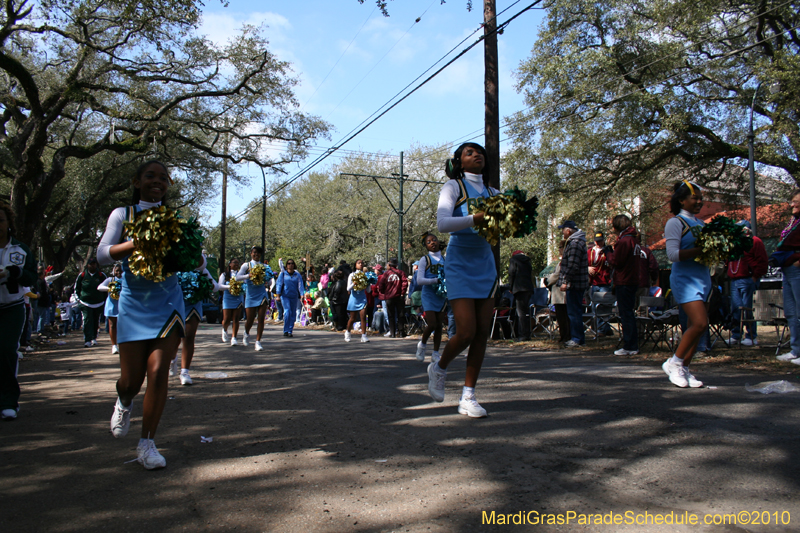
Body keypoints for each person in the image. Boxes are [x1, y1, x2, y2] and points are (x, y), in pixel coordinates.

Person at [97, 160, 200, 469]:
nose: (157, 182)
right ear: (137, 181)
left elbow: (195, 262)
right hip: (132, 303)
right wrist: (136, 242)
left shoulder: (175, 219)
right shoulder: (122, 215)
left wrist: (191, 254)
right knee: (131, 381)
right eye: (150, 176)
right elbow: (103, 253)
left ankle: (147, 444)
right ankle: (124, 401)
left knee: (157, 372)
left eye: (163, 178)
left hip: (168, 303)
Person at [427, 142, 500, 418]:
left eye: (479, 152)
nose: (477, 155)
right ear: (459, 162)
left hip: (485, 265)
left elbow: (500, 226)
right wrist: (476, 218)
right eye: (469, 153)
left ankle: (468, 396)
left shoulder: (495, 193)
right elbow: (443, 224)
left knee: (482, 333)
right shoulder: (453, 188)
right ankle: (439, 367)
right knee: (466, 331)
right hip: (458, 264)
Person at [661, 181, 710, 388]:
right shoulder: (675, 223)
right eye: (694, 198)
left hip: (703, 278)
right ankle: (674, 362)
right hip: (685, 279)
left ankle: (685, 368)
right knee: (701, 323)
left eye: (700, 198)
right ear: (682, 200)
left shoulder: (702, 224)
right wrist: (701, 250)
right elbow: (672, 254)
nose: (699, 201)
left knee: (695, 328)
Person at [0, 201, 37, 420]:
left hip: (12, 308)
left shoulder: (20, 250)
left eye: (1, 220)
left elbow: (32, 277)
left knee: (5, 351)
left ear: (9, 223)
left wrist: (16, 272)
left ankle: (9, 402)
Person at [173, 264, 218, 385]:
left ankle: (184, 372)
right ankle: (173, 359)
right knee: (175, 338)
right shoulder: (173, 262)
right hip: (174, 303)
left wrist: (204, 284)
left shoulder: (200, 266)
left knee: (189, 336)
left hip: (193, 304)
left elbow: (215, 286)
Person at [726, 220, 768, 346]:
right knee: (735, 308)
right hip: (734, 279)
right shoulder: (734, 244)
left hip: (747, 278)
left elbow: (762, 260)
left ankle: (751, 335)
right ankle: (736, 334)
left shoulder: (755, 241)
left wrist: (755, 276)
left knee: (746, 308)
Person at [605, 215, 641, 356]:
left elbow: (616, 261)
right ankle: (631, 344)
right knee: (629, 313)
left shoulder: (625, 241)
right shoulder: (634, 239)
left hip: (624, 280)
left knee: (626, 314)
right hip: (632, 280)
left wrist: (608, 253)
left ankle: (630, 345)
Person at [775, 190, 800, 363]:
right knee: (791, 311)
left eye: (796, 201)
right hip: (787, 268)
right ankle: (796, 349)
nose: (792, 205)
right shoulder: (794, 222)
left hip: (797, 266)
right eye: (791, 201)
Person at [414, 232, 447, 363]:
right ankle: (422, 345)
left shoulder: (445, 259)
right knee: (432, 323)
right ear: (426, 246)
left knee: (439, 326)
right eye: (428, 242)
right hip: (428, 295)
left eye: (434, 240)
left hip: (441, 295)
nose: (432, 242)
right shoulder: (425, 260)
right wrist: (436, 280)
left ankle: (435, 353)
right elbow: (420, 280)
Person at [557, 221, 589, 347]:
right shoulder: (577, 242)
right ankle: (578, 338)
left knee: (574, 312)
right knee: (575, 311)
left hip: (575, 284)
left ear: (568, 230)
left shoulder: (575, 244)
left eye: (563, 230)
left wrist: (565, 281)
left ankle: (577, 339)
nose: (562, 233)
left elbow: (573, 266)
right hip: (577, 283)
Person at [237, 246, 269, 352]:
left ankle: (258, 342)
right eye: (254, 252)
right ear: (251, 253)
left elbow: (269, 280)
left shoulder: (264, 266)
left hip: (262, 294)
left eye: (259, 253)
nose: (256, 254)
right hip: (250, 295)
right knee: (250, 320)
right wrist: (248, 276)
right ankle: (246, 332)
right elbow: (237, 277)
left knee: (261, 319)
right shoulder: (246, 265)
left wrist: (268, 282)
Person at [588, 231, 613, 336]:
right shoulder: (589, 252)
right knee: (595, 307)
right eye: (597, 241)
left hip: (605, 283)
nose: (599, 243)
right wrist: (587, 268)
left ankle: (602, 329)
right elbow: (583, 263)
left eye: (601, 241)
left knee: (604, 306)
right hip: (594, 282)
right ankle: (603, 329)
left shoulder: (608, 252)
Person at [546, 241, 571, 343]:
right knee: (561, 317)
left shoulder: (564, 262)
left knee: (563, 316)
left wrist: (547, 280)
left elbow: (556, 276)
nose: (559, 249)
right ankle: (564, 335)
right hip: (559, 294)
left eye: (561, 247)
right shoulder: (563, 261)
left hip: (561, 294)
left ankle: (566, 336)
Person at [377, 258, 408, 338]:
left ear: (389, 265)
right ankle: (401, 332)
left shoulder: (386, 274)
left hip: (389, 297)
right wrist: (402, 293)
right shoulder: (401, 273)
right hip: (399, 296)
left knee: (391, 315)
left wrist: (384, 292)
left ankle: (392, 332)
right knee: (400, 314)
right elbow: (405, 283)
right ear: (396, 265)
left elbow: (381, 285)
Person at [508, 249, 535, 341]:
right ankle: (527, 334)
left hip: (519, 288)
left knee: (520, 313)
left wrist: (510, 287)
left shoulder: (514, 260)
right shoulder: (528, 261)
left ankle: (522, 335)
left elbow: (511, 273)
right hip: (528, 288)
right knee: (526, 311)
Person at [97, 263, 124, 354]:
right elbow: (99, 287)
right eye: (117, 271)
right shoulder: (110, 279)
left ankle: (123, 344)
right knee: (112, 325)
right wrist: (110, 288)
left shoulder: (126, 280)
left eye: (120, 271)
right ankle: (114, 345)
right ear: (114, 271)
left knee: (124, 326)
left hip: (124, 305)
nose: (119, 273)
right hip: (112, 305)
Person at [344, 259, 371, 343]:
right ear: (355, 265)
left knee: (363, 316)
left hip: (362, 298)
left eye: (362, 263)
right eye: (359, 263)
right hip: (354, 298)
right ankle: (348, 332)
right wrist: (354, 283)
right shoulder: (352, 275)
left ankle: (364, 335)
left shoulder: (365, 275)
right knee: (353, 318)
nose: (361, 264)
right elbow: (348, 288)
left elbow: (369, 290)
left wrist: (368, 283)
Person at [219, 258, 244, 346]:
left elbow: (244, 283)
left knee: (236, 318)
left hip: (238, 298)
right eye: (234, 262)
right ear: (230, 264)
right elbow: (220, 286)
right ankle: (225, 329)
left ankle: (234, 337)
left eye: (238, 263)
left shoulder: (240, 274)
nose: (236, 264)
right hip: (228, 298)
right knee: (226, 319)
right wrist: (230, 286)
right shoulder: (224, 274)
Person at [276, 259, 304, 337]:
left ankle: (290, 331)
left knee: (293, 313)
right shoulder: (283, 274)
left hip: (294, 296)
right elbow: (279, 284)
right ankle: (286, 330)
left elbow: (300, 285)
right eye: (288, 263)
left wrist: (302, 294)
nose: (290, 265)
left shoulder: (297, 275)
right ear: (286, 265)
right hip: (285, 296)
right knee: (287, 311)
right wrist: (278, 295)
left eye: (292, 263)